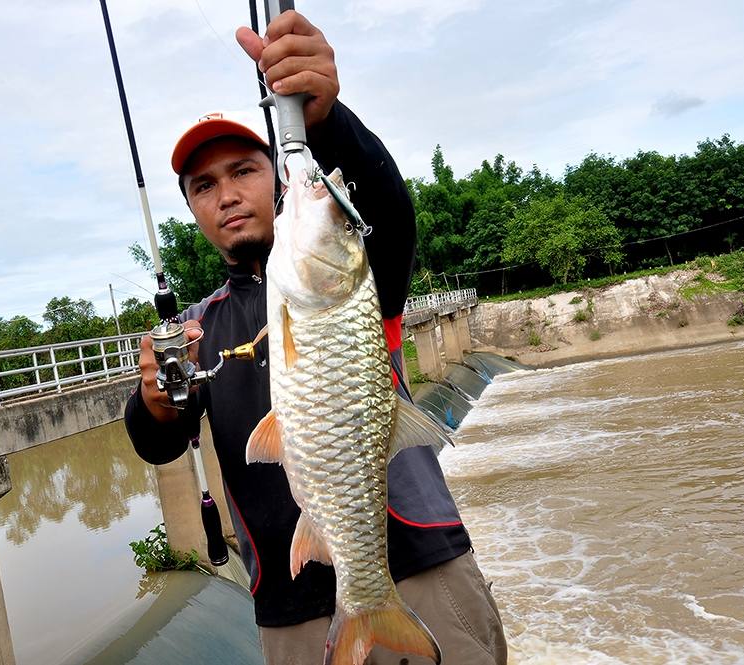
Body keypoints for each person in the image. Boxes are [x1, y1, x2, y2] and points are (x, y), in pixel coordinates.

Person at [125, 10, 508, 665]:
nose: (227, 195)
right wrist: (155, 401)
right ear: (192, 208)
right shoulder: (198, 326)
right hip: (291, 608)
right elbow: (156, 439)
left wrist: (327, 120)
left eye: (244, 170)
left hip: (423, 568)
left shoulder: (356, 270)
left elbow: (387, 207)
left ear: (277, 175)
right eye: (203, 186)